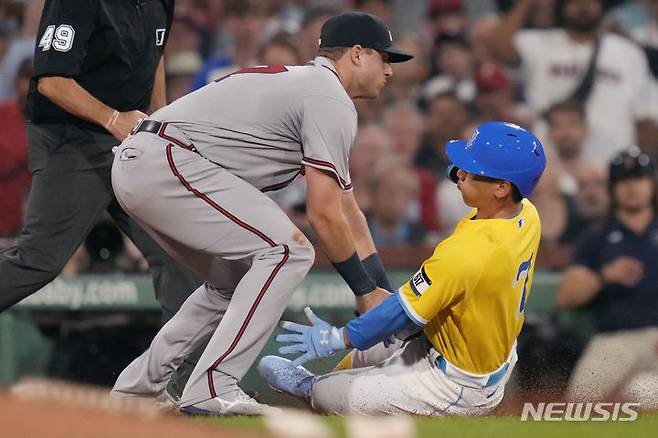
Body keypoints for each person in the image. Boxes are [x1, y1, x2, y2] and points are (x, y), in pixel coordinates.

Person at [110, 11, 413, 416]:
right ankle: (212, 386)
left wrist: (378, 292)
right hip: (167, 163)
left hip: (151, 164)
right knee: (289, 250)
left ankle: (138, 390)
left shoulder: (310, 86)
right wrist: (363, 291)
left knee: (230, 282)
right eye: (384, 57)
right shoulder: (328, 96)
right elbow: (323, 216)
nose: (390, 70)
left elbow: (349, 213)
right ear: (357, 54)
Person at [259, 121, 547, 416]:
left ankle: (315, 389)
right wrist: (471, 176)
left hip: (458, 383)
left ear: (502, 187)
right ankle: (341, 380)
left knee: (328, 395)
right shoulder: (527, 214)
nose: (459, 173)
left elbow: (400, 310)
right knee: (370, 350)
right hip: (457, 340)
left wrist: (336, 337)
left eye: (471, 169)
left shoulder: (469, 252)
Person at [0, 1, 200, 323]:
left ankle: (182, 369)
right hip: (70, 138)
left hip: (130, 137)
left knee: (180, 252)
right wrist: (113, 119)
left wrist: (160, 122)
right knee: (39, 259)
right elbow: (52, 81)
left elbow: (155, 55)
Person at [489, 0, 657, 161]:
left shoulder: (628, 52)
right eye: (575, 2)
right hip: (549, 164)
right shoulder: (538, 43)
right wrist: (526, 3)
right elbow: (497, 46)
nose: (583, 6)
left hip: (610, 164)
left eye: (590, 1)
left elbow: (644, 117)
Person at [556, 147, 658, 408]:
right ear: (612, 188)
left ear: (651, 183)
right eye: (623, 180)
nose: (631, 186)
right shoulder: (596, 236)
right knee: (579, 404)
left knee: (643, 395)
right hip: (614, 340)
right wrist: (604, 275)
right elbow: (566, 298)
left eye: (638, 178)